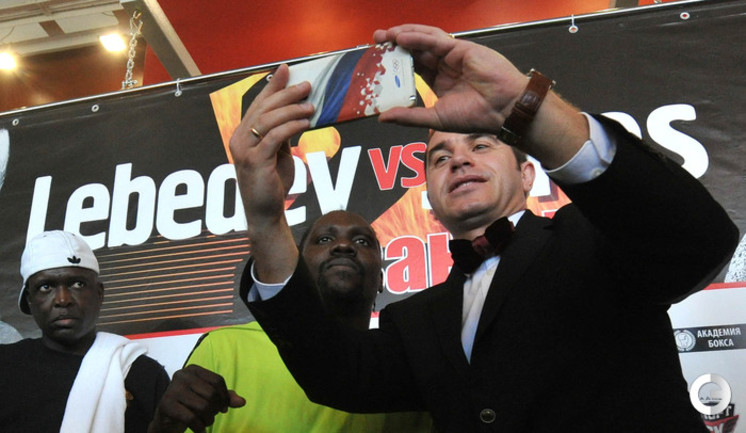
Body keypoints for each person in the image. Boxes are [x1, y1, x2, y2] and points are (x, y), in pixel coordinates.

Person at [230, 24, 738, 432]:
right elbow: (338, 376)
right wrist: (266, 218)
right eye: (439, 157)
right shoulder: (416, 319)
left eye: (481, 144)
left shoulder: (596, 236)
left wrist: (524, 108)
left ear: (527, 174)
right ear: (430, 200)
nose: (458, 160)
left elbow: (699, 242)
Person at [147, 210, 433, 433]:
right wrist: (163, 426)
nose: (344, 246)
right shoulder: (224, 348)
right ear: (297, 270)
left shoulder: (409, 367)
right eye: (324, 240)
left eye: (362, 241)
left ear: (381, 279)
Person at [0, 230, 170, 433]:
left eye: (77, 284)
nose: (63, 299)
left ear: (99, 293)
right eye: (46, 287)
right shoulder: (5, 366)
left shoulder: (144, 374)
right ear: (30, 300)